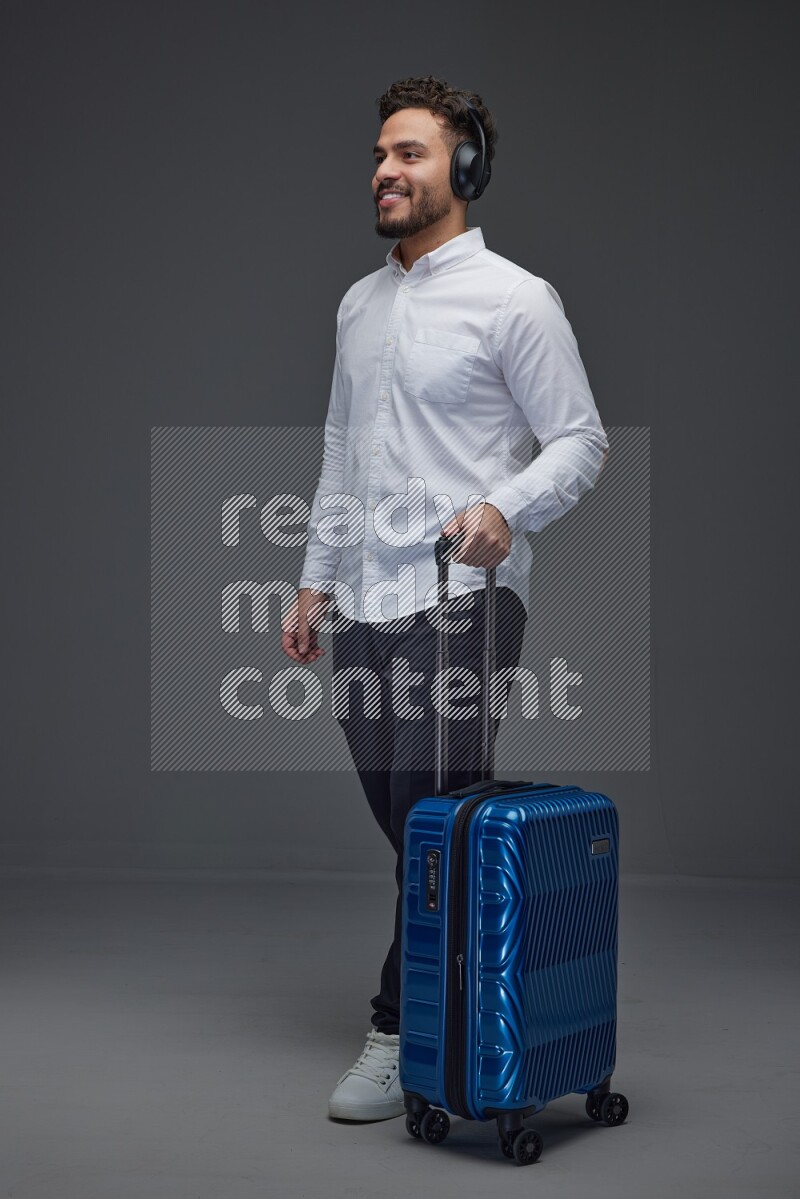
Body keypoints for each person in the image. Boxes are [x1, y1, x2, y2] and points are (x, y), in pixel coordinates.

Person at [280, 75, 609, 1122]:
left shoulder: (514, 298)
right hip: (366, 596)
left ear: (462, 170)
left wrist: (504, 508)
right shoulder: (358, 303)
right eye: (380, 152)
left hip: (459, 593)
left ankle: (399, 1025)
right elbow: (340, 449)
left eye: (410, 153)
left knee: (433, 816)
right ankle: (487, 981)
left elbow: (579, 440)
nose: (385, 169)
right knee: (415, 823)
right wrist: (313, 581)